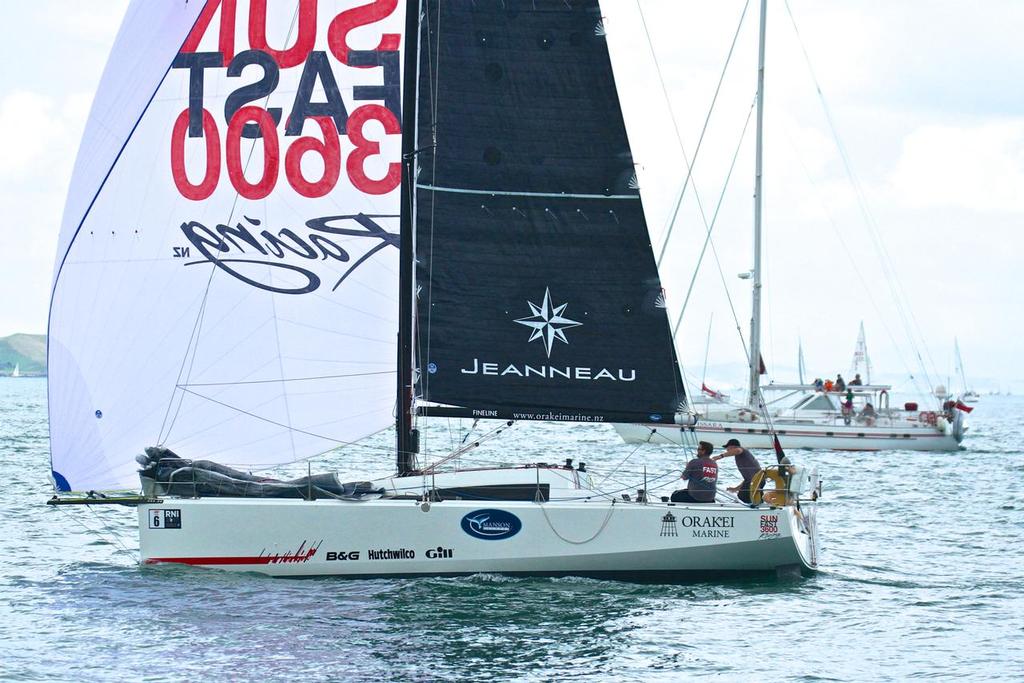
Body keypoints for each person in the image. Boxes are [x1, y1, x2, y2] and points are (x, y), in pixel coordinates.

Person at [713, 438, 761, 504]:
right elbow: (747, 478)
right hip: (755, 480)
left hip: (757, 480)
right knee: (748, 498)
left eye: (727, 448)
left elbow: (738, 450)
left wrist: (720, 456)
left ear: (733, 446)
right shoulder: (740, 456)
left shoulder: (741, 450)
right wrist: (736, 488)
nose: (726, 450)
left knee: (742, 497)